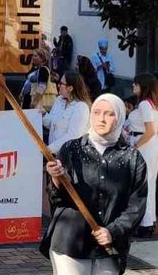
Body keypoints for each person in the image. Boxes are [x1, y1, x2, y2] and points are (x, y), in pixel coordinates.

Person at [43, 94, 147, 274]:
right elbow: (56, 198)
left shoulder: (133, 158)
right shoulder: (71, 149)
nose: (101, 118)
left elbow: (136, 207)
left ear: (120, 117)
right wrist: (56, 179)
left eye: (109, 114)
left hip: (108, 246)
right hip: (70, 241)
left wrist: (112, 231)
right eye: (97, 112)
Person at [129, 74, 158, 237]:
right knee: (149, 183)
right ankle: (147, 221)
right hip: (150, 145)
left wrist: (136, 145)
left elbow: (151, 130)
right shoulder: (152, 105)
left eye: (136, 84)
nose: (133, 86)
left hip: (145, 145)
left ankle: (145, 223)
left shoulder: (145, 105)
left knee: (144, 184)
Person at [43, 72, 91, 154]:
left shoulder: (81, 107)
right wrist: (43, 115)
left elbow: (73, 136)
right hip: (53, 154)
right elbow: (52, 124)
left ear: (70, 88)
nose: (58, 85)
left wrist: (49, 149)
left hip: (68, 158)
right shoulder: (59, 100)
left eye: (61, 83)